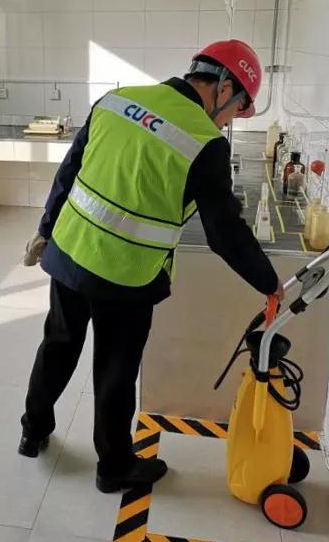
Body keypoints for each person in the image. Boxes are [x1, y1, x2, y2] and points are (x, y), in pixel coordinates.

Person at [19, 39, 284, 493]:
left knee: (58, 344)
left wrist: (46, 230)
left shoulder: (118, 100)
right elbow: (224, 232)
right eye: (236, 110)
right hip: (126, 275)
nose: (227, 121)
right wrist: (269, 282)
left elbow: (69, 172)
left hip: (69, 251)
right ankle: (114, 467)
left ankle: (32, 431)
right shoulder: (205, 143)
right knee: (115, 371)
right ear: (224, 88)